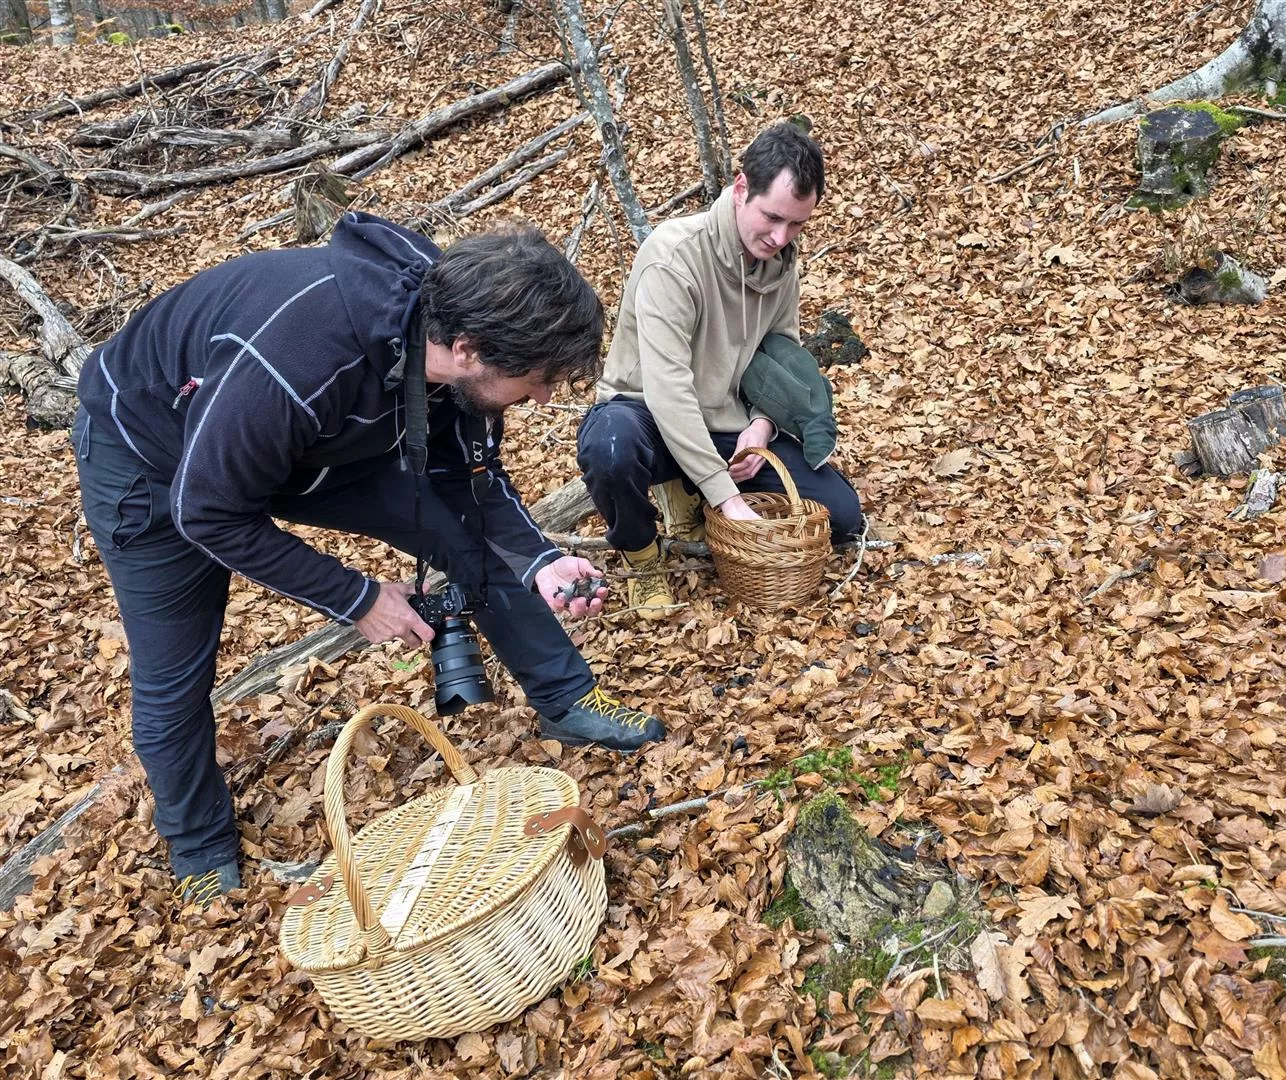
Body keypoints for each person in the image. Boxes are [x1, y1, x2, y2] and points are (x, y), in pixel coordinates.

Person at [71, 212, 665, 904]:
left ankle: (565, 699)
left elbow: (471, 478)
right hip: (152, 457)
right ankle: (199, 844)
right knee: (172, 669)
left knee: (464, 535)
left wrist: (539, 560)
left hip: (327, 444)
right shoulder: (297, 358)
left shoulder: (454, 335)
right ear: (469, 349)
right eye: (536, 380)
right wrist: (357, 598)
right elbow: (205, 509)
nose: (543, 398)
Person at [577, 123, 862, 618]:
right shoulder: (673, 257)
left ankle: (691, 494)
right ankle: (643, 553)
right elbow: (668, 389)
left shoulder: (781, 265)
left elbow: (780, 358)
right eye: (772, 218)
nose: (780, 237)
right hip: (647, 417)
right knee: (610, 449)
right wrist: (728, 499)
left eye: (797, 225)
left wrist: (761, 424)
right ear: (740, 188)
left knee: (842, 516)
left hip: (728, 423)